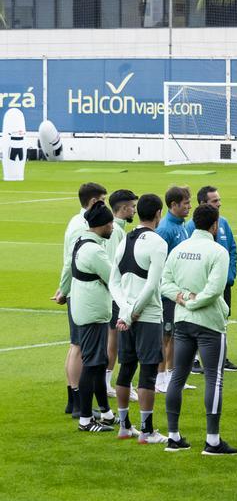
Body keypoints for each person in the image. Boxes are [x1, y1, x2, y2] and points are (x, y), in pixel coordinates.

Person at [160, 203, 237, 455]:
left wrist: (182, 298)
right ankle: (212, 440)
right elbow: (215, 290)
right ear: (215, 225)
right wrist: (194, 301)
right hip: (209, 322)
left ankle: (173, 436)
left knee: (178, 376)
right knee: (214, 379)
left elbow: (165, 284)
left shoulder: (180, 249)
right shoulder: (218, 251)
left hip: (182, 320)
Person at [109, 194, 169, 443]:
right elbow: (153, 284)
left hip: (126, 315)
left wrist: (125, 310)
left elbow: (114, 281)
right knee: (147, 372)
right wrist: (133, 313)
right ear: (158, 214)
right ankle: (146, 431)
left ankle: (124, 426)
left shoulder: (125, 239)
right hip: (147, 315)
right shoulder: (157, 242)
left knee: (126, 369)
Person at [53, 182, 107, 418]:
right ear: (94, 202)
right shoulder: (82, 227)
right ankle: (76, 400)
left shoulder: (77, 222)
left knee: (77, 345)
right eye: (102, 200)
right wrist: (63, 290)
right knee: (78, 346)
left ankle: (73, 399)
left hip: (78, 291)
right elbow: (70, 262)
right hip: (82, 293)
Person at [64, 202, 118, 432]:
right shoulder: (94, 250)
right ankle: (86, 419)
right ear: (102, 225)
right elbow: (113, 277)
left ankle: (104, 412)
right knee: (93, 364)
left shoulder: (81, 241)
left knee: (97, 362)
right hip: (93, 311)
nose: (113, 227)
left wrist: (63, 289)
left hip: (85, 307)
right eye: (110, 224)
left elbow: (68, 267)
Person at [185, 185, 237, 373]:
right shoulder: (192, 226)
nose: (219, 203)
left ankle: (221, 357)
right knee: (198, 318)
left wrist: (230, 274)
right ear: (203, 204)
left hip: (223, 282)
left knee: (222, 317)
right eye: (215, 201)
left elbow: (232, 248)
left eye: (219, 200)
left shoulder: (223, 222)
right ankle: (194, 360)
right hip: (201, 283)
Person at [155, 186, 192, 394]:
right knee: (165, 335)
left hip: (179, 290)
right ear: (173, 205)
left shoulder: (182, 225)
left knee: (175, 333)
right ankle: (160, 378)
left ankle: (172, 375)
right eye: (185, 203)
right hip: (167, 292)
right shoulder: (166, 229)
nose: (189, 207)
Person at [103, 189, 137, 399]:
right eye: (132, 206)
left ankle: (110, 382)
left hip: (113, 292)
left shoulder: (117, 229)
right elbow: (114, 265)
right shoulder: (115, 231)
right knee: (117, 338)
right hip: (116, 293)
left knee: (116, 338)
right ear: (124, 208)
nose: (134, 210)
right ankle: (110, 382)